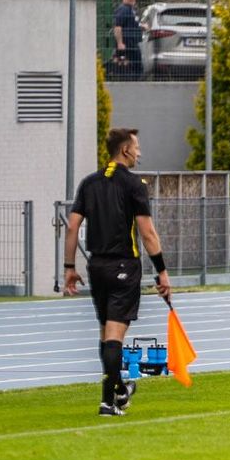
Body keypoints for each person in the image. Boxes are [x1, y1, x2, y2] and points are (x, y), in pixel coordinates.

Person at [64, 128, 172, 416]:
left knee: (106, 334)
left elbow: (72, 226)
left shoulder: (89, 183)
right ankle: (120, 390)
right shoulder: (133, 185)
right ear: (125, 150)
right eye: (136, 147)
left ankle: (108, 400)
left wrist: (69, 268)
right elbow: (148, 233)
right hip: (124, 265)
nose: (139, 152)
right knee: (114, 335)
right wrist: (162, 271)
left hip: (96, 267)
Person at [111, 0, 143, 80]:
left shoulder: (131, 10)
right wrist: (120, 43)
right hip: (126, 44)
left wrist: (141, 26)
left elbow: (131, 23)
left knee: (136, 65)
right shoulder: (123, 9)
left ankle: (133, 83)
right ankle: (130, 84)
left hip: (132, 43)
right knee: (132, 66)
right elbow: (118, 27)